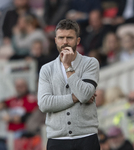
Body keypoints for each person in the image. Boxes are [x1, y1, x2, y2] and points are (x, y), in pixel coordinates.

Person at [38, 19, 100, 150]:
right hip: (57, 139)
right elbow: (44, 104)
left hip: (86, 137)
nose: (65, 42)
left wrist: (68, 66)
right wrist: (74, 97)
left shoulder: (90, 63)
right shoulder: (46, 69)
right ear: (55, 40)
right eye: (61, 38)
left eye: (69, 38)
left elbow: (84, 95)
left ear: (77, 41)